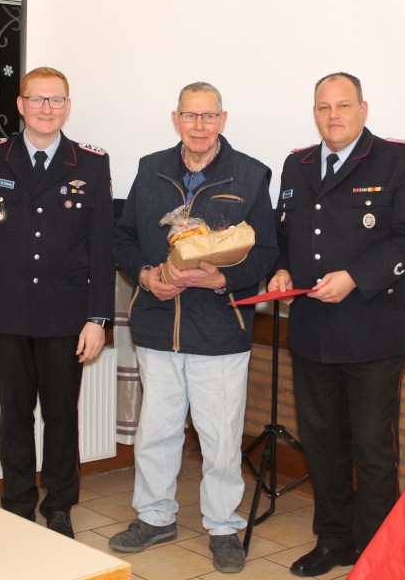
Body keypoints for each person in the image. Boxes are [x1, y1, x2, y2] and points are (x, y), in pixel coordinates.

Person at [268, 72, 405, 577]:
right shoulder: (296, 164)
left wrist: (355, 278)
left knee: (372, 448)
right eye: (323, 107)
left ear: (363, 109)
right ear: (314, 112)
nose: (332, 115)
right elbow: (284, 235)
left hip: (372, 330)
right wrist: (280, 269)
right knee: (323, 444)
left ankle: (378, 550)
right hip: (312, 330)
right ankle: (334, 540)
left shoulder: (400, 160)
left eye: (343, 105)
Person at [110, 82, 278, 573]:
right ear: (176, 119)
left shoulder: (249, 174)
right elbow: (122, 240)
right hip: (158, 327)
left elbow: (267, 252)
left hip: (220, 332)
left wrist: (222, 277)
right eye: (190, 116)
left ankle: (223, 525)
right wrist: (143, 275)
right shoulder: (150, 169)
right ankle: (155, 516)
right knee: (156, 433)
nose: (199, 126)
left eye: (209, 117)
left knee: (220, 439)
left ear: (223, 120)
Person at [0, 66, 114, 538]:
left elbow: (102, 247)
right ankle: (19, 503)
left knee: (63, 417)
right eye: (38, 99)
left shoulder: (90, 163)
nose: (47, 109)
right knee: (15, 415)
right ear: (21, 105)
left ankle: (60, 504)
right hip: (4, 314)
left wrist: (97, 318)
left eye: (56, 100)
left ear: (68, 106)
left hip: (67, 315)